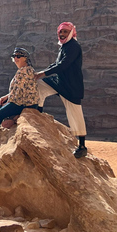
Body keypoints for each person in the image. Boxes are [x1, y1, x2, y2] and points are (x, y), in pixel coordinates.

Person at [34, 22, 87, 158]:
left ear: (71, 33)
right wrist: (43, 72)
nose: (62, 34)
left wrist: (43, 73)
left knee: (75, 114)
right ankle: (38, 110)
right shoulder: (64, 46)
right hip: (59, 81)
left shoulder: (74, 46)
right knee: (40, 86)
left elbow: (64, 65)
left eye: (65, 32)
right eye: (60, 32)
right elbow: (56, 64)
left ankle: (82, 146)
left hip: (71, 85)